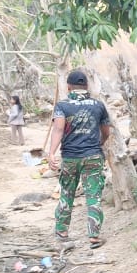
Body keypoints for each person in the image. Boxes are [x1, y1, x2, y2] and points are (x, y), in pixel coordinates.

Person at [47, 69, 111, 250]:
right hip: (93, 156)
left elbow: (58, 130)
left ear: (68, 87)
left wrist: (51, 153)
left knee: (67, 194)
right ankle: (94, 236)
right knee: (93, 196)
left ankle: (62, 232)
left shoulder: (62, 106)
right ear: (87, 86)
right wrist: (99, 143)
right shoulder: (98, 105)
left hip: (70, 157)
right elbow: (106, 131)